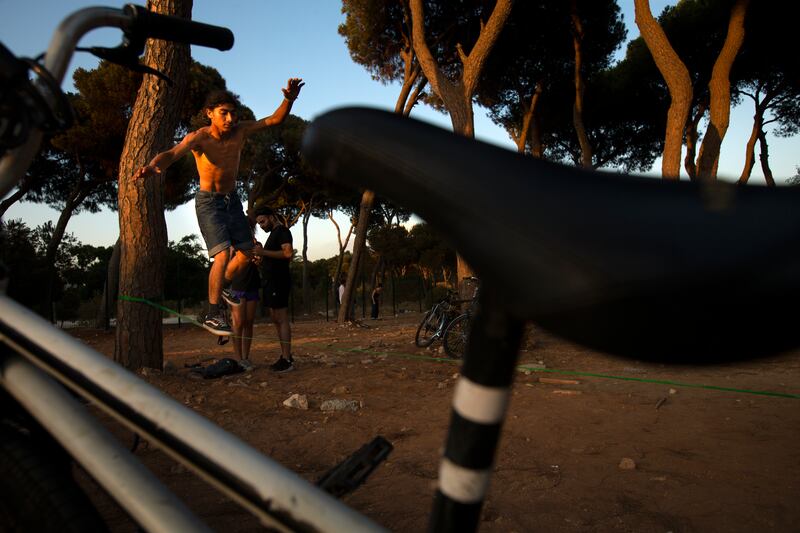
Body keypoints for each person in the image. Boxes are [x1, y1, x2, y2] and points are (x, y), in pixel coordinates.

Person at [134, 79, 304, 336]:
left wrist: (289, 100)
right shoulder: (200, 138)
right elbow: (173, 152)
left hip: (231, 199)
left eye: (233, 113)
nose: (230, 119)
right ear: (209, 113)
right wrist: (154, 165)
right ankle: (212, 312)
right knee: (223, 254)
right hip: (209, 201)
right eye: (224, 113)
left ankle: (223, 287)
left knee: (249, 252)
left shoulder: (241, 131)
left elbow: (273, 121)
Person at [252, 205, 295, 373]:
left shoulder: (282, 231)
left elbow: (287, 253)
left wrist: (263, 252)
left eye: (262, 221)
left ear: (271, 216)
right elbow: (274, 257)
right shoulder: (273, 235)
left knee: (281, 319)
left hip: (279, 282)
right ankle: (285, 356)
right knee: (276, 319)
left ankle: (287, 359)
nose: (261, 226)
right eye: (259, 223)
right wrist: (261, 259)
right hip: (270, 282)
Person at [229, 245, 261, 364]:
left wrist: (258, 261)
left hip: (252, 285)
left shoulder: (257, 245)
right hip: (238, 286)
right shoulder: (233, 245)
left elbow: (259, 262)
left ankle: (245, 358)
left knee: (249, 322)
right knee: (238, 323)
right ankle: (238, 358)